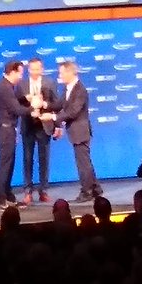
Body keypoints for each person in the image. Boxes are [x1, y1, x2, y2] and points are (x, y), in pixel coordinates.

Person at [44, 60, 101, 202]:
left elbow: (73, 111)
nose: (60, 76)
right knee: (85, 161)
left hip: (80, 132)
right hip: (76, 132)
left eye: (61, 73)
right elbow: (59, 105)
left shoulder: (80, 90)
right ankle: (95, 188)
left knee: (83, 164)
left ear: (70, 72)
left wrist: (53, 117)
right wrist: (45, 104)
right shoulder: (68, 88)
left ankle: (86, 192)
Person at [16, 57, 59, 204]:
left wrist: (57, 124)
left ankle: (43, 190)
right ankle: (28, 191)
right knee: (27, 158)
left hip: (44, 126)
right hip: (28, 126)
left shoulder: (50, 83)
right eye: (32, 69)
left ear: (42, 69)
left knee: (44, 159)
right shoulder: (21, 85)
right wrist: (27, 101)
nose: (35, 72)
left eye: (37, 69)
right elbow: (16, 105)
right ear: (29, 70)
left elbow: (56, 104)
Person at [0, 59, 27, 210]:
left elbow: (15, 105)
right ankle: (0, 199)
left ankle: (8, 196)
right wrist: (33, 108)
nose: (21, 77)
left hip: (9, 129)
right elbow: (16, 109)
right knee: (5, 164)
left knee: (9, 164)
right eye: (20, 73)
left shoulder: (7, 86)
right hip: (4, 130)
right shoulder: (4, 87)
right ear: (12, 72)